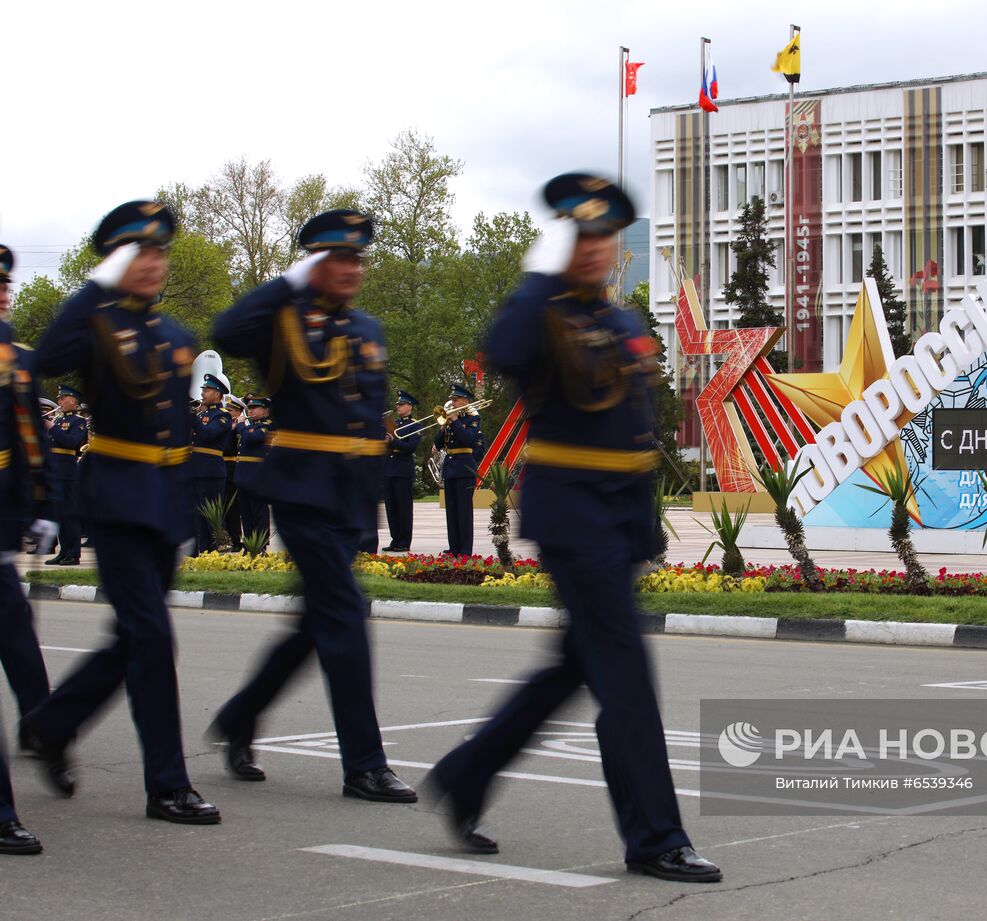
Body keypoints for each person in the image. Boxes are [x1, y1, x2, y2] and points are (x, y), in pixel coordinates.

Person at [427, 174, 720, 882]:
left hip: (616, 519)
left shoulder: (621, 322)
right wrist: (538, 273)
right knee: (623, 673)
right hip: (570, 516)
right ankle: (654, 834)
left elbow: (635, 429)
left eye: (605, 238)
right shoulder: (540, 312)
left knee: (574, 668)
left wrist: (644, 526)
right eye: (583, 237)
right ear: (565, 241)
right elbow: (502, 348)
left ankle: (467, 774)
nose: (597, 251)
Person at [19, 201, 220, 824]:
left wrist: (186, 513)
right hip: (115, 499)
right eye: (141, 253)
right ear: (116, 260)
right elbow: (48, 359)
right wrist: (93, 286)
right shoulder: (96, 323)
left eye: (160, 252)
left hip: (162, 505)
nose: (155, 263)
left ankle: (50, 725)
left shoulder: (176, 337)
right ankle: (167, 785)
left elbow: (178, 432)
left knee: (131, 640)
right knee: (153, 639)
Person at [207, 209, 415, 804]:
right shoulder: (281, 321)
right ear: (314, 264)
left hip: (349, 496)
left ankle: (241, 718)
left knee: (315, 625)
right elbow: (227, 330)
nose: (350, 269)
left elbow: (366, 420)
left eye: (355, 259)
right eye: (336, 259)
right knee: (346, 615)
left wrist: (369, 502)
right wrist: (290, 281)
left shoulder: (368, 329)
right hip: (301, 490)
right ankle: (364, 765)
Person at [0, 244, 55, 855]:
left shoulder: (14, 355)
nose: (3, 294)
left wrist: (39, 508)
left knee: (18, 640)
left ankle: (45, 731)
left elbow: (28, 438)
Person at [435, 383, 483, 556]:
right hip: (450, 467)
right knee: (452, 511)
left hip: (464, 468)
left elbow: (468, 439)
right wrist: (442, 427)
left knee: (464, 512)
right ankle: (453, 548)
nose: (452, 403)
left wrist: (455, 421)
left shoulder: (473, 418)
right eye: (452, 400)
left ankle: (465, 550)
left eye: (456, 400)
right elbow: (439, 444)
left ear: (465, 400)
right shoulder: (449, 419)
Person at [190, 373, 233, 554]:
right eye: (203, 390)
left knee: (212, 514)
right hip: (196, 470)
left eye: (206, 390)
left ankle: (219, 551)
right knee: (197, 514)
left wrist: (192, 417)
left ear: (218, 394)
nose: (203, 393)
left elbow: (208, 435)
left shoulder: (222, 416)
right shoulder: (202, 414)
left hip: (211, 471)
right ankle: (201, 551)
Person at [45, 384, 86, 565]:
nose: (59, 401)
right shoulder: (58, 420)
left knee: (70, 513)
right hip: (55, 470)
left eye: (63, 398)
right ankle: (64, 551)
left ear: (73, 400)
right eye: (59, 398)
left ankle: (73, 553)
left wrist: (52, 428)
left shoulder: (79, 421)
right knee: (59, 514)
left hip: (68, 471)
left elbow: (71, 442)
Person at [383, 390, 421, 552]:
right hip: (390, 468)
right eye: (397, 404)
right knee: (391, 508)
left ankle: (404, 541)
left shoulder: (415, 424)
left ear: (410, 406)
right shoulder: (395, 424)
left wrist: (393, 443)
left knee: (403, 507)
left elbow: (410, 447)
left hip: (403, 469)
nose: (398, 406)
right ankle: (395, 539)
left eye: (401, 404)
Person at [235, 397, 272, 551]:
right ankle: (249, 544)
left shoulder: (266, 427)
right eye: (249, 408)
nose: (251, 411)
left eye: (255, 408)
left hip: (257, 478)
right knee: (246, 513)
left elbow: (253, 437)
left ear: (265, 410)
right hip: (243, 476)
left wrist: (242, 425)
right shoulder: (250, 427)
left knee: (259, 513)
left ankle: (260, 545)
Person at [222, 396, 246, 551]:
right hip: (223, 466)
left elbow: (229, 448)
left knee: (232, 507)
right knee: (224, 506)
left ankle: (236, 540)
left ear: (238, 412)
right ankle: (228, 538)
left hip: (231, 466)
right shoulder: (228, 425)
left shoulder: (238, 428)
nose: (227, 412)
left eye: (230, 410)